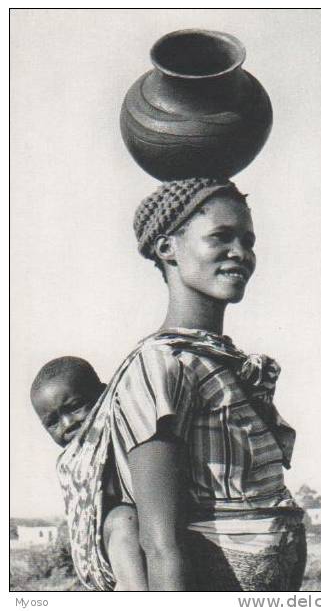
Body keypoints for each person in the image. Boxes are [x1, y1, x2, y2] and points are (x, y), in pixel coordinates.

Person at [52, 177, 307, 591]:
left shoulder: (217, 360)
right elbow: (159, 544)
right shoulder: (159, 366)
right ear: (167, 248)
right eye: (220, 237)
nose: (241, 253)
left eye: (248, 240)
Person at [30, 356, 148, 591]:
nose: (67, 424)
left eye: (74, 407)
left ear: (102, 394)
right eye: (52, 422)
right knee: (123, 519)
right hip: (112, 549)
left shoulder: (124, 433)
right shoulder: (71, 462)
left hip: (141, 546)